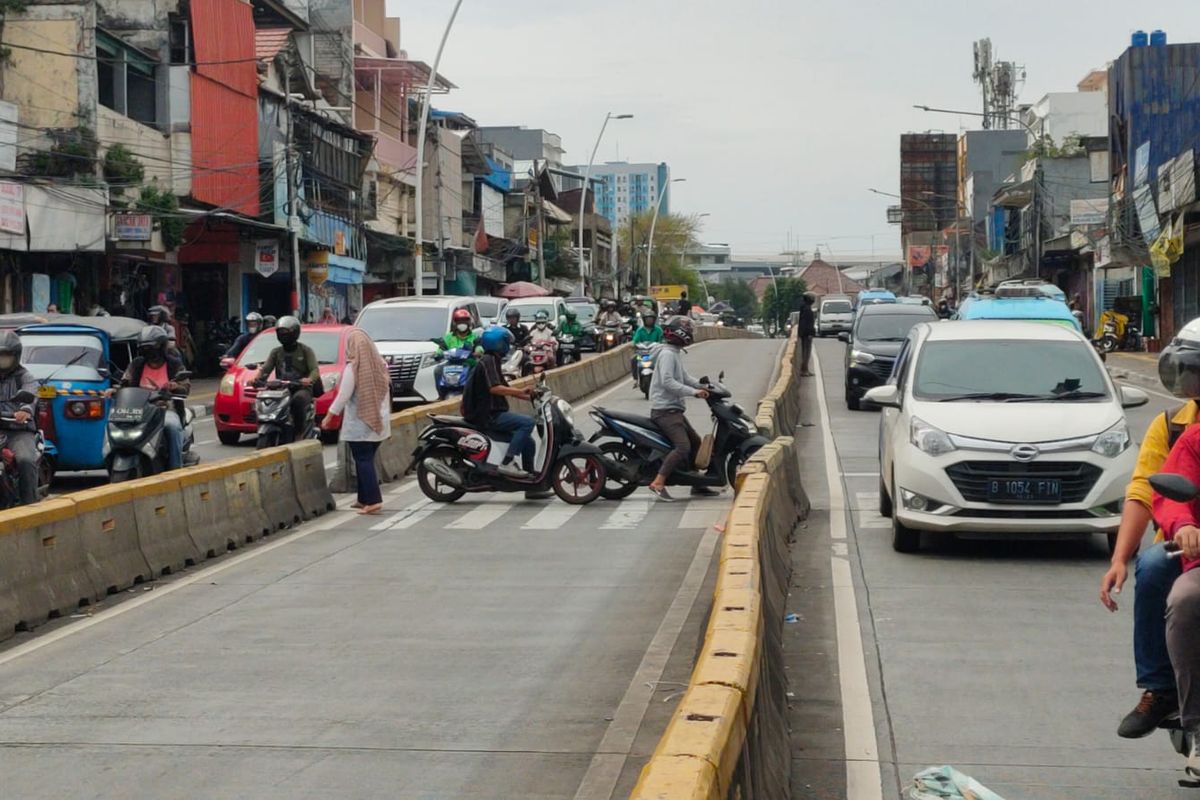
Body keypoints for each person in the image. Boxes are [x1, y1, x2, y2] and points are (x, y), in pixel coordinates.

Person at [1101, 319, 1200, 739]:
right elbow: (1151, 491)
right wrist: (1121, 557)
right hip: (1187, 547)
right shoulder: (1180, 429)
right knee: (1156, 567)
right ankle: (1159, 689)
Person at [1150, 426, 1200, 779]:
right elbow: (1172, 496)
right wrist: (1184, 525)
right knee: (1185, 599)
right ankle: (1196, 726)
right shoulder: (1195, 440)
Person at [647, 316, 716, 502]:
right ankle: (658, 482)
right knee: (683, 447)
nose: (690, 332)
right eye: (687, 328)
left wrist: (704, 387)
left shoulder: (674, 352)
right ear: (679, 332)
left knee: (695, 442)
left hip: (674, 410)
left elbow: (684, 377)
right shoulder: (667, 354)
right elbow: (667, 382)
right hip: (665, 411)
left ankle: (696, 483)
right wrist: (694, 392)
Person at [323, 329, 390, 515]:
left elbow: (343, 396)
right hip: (379, 422)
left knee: (362, 459)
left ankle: (374, 500)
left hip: (361, 423)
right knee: (365, 458)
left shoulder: (354, 368)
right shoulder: (380, 364)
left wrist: (329, 416)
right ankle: (363, 498)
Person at [461, 326, 536, 482]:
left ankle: (530, 481)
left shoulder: (493, 360)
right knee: (528, 423)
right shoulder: (488, 361)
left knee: (529, 442)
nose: (508, 345)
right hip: (487, 415)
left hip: (491, 413)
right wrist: (518, 392)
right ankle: (507, 462)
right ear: (499, 344)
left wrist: (529, 396)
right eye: (506, 342)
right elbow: (495, 388)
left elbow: (505, 388)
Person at [111, 326, 190, 471]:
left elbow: (185, 387)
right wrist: (113, 390)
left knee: (172, 427)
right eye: (145, 349)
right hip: (139, 410)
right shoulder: (137, 364)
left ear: (161, 347)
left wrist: (175, 386)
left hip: (166, 410)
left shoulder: (174, 364)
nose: (149, 352)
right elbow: (125, 383)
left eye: (151, 348)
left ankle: (175, 469)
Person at [251, 316, 320, 442]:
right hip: (281, 389)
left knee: (298, 401)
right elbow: (265, 369)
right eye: (280, 332)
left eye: (286, 332)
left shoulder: (305, 351)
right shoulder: (276, 352)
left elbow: (315, 370)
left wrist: (309, 379)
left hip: (301, 388)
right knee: (264, 400)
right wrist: (256, 378)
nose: (283, 335)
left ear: (295, 333)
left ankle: (299, 432)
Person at [0, 332, 40, 505]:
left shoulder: (24, 376)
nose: (2, 360)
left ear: (15, 356)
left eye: (6, 356)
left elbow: (32, 391)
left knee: (25, 460)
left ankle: (29, 505)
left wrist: (25, 410)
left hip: (18, 430)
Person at [631, 310, 664, 384]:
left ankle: (664, 377)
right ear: (644, 320)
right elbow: (635, 341)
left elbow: (662, 340)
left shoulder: (658, 330)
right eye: (647, 319)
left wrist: (661, 344)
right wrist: (634, 345)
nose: (649, 321)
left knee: (664, 359)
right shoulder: (640, 330)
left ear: (654, 320)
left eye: (651, 319)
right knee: (633, 359)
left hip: (656, 353)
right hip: (642, 353)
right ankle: (636, 379)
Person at [797, 293, 816, 377]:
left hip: (804, 333)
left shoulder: (804, 308)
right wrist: (809, 333)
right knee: (806, 352)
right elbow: (807, 323)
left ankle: (805, 369)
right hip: (807, 334)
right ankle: (804, 370)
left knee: (805, 351)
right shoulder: (807, 309)